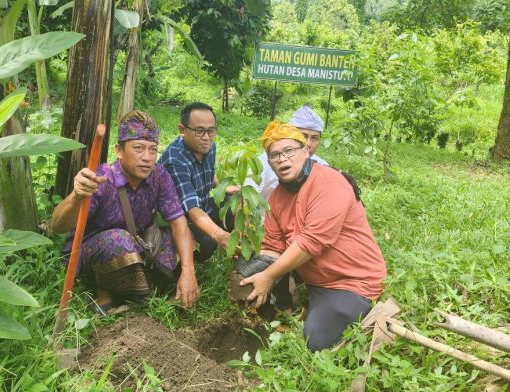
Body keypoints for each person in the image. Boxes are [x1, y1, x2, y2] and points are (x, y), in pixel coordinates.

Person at [239, 121, 387, 351]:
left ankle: (355, 307)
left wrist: (268, 276)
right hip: (316, 279)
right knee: (254, 275)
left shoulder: (329, 182)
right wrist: (247, 273)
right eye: (275, 155)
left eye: (289, 151)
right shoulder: (277, 197)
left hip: (352, 281)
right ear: (269, 163)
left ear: (306, 151)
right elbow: (273, 247)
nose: (282, 159)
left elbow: (312, 242)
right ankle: (307, 301)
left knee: (316, 340)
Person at [51, 110, 199, 313]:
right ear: (119, 150)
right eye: (138, 148)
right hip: (95, 254)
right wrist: (77, 196)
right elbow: (58, 226)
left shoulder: (159, 175)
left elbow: (177, 221)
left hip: (138, 244)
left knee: (186, 238)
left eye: (153, 150)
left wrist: (188, 271)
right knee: (118, 240)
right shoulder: (102, 179)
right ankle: (107, 294)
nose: (147, 157)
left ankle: (142, 288)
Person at [159, 102, 237, 262]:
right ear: (182, 130)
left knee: (234, 205)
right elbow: (191, 207)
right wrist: (217, 234)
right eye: (199, 131)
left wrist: (222, 187)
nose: (207, 137)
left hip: (202, 205)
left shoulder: (208, 146)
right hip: (180, 219)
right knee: (207, 243)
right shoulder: (175, 160)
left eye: (211, 130)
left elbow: (209, 170)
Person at [245, 104, 328, 201]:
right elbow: (248, 197)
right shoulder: (263, 163)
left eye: (314, 138)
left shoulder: (322, 166)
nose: (308, 143)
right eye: (304, 136)